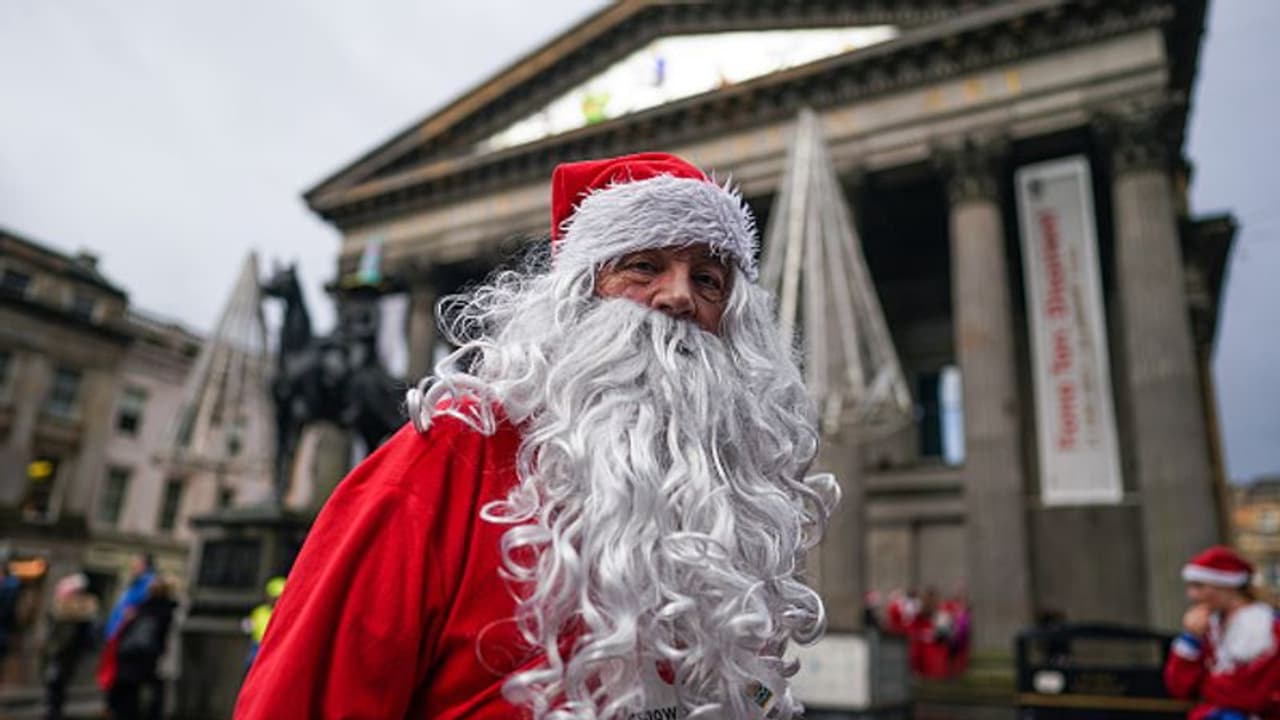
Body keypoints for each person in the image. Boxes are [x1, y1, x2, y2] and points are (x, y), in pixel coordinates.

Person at [235, 152, 839, 719]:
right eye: (644, 266)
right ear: (578, 295)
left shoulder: (729, 505)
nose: (680, 295)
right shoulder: (446, 461)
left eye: (708, 279)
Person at [1164, 545, 1280, 719]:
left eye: (1200, 586)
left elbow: (1255, 695)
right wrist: (1190, 640)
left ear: (1227, 585)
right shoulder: (1208, 628)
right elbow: (1179, 688)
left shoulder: (1269, 626)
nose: (1192, 595)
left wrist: (1210, 689)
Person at [107, 576, 177, 720]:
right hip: (148, 661)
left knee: (128, 698)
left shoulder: (141, 609)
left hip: (131, 658)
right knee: (146, 698)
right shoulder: (168, 610)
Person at [42, 573, 99, 720]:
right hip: (59, 652)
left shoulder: (80, 609)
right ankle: (52, 710)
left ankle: (54, 712)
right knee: (54, 683)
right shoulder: (63, 606)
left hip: (65, 653)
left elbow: (69, 636)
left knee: (57, 683)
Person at [241, 577, 284, 668]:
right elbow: (249, 627)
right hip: (258, 646)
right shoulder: (259, 611)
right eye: (274, 597)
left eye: (279, 598)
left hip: (277, 647)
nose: (276, 601)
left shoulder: (286, 613)